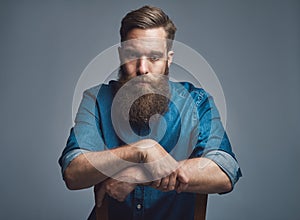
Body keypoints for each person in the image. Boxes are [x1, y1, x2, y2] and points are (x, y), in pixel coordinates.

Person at [59, 5, 242, 220]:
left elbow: (224, 171)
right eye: (132, 55)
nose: (142, 68)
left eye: (154, 57)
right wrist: (142, 150)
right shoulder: (96, 100)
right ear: (120, 55)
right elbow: (73, 172)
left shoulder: (197, 101)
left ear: (169, 58)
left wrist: (139, 175)